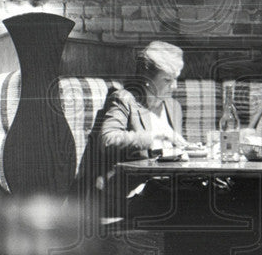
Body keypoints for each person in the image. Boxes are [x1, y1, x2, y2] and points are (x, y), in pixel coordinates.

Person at [76, 40, 188, 215]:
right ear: (147, 80)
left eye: (176, 79)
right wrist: (156, 136)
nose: (174, 86)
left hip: (162, 189)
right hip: (123, 196)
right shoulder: (124, 99)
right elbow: (108, 139)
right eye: (167, 80)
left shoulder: (174, 107)